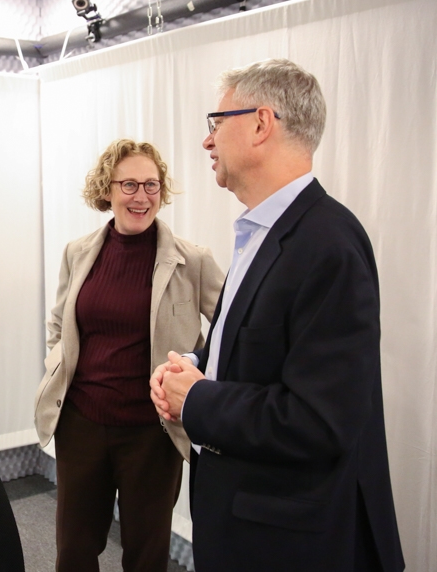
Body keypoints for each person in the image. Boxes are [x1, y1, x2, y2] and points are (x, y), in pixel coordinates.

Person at [150, 59, 405, 571]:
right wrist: (196, 363)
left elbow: (318, 420)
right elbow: (254, 346)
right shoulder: (266, 232)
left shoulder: (327, 243)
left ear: (261, 124)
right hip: (248, 525)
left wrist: (198, 398)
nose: (208, 142)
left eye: (216, 123)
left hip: (289, 544)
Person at [34, 139, 224, 572]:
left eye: (152, 186)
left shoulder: (191, 261)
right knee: (75, 551)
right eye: (130, 185)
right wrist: (56, 368)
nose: (142, 197)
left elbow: (233, 333)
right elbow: (60, 325)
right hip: (80, 425)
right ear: (108, 189)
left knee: (146, 554)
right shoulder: (78, 253)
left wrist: (197, 381)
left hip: (151, 434)